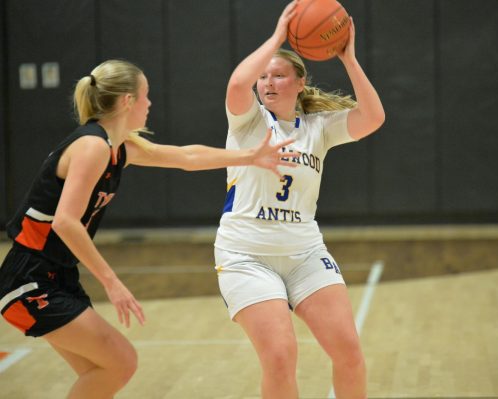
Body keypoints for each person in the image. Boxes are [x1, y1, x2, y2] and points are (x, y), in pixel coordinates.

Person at [0, 59, 298, 399]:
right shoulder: (92, 146)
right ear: (128, 101)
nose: (150, 104)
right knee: (121, 362)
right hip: (30, 279)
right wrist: (112, 283)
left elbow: (185, 157)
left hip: (57, 276)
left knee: (100, 374)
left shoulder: (118, 147)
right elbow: (65, 221)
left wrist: (249, 157)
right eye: (146, 95)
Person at [214, 1, 385, 398]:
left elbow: (373, 117)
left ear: (300, 82)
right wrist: (277, 37)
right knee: (279, 357)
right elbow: (237, 86)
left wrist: (349, 59)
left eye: (279, 75)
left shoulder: (318, 129)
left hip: (305, 252)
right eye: (264, 77)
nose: (268, 83)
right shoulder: (248, 121)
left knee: (349, 353)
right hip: (246, 255)